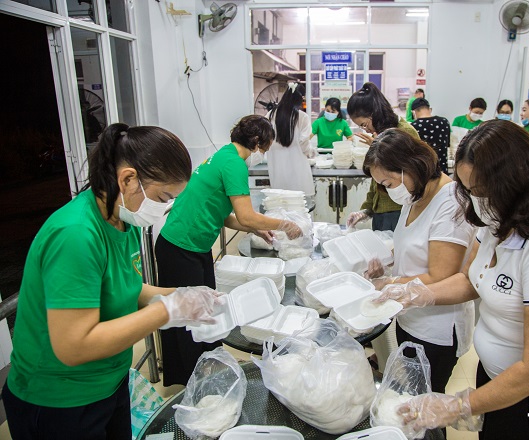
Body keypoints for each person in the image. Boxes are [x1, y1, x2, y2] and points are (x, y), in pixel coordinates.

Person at [2, 123, 227, 439]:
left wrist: (184, 295)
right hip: (60, 399)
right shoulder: (76, 235)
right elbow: (73, 346)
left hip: (110, 381)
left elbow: (129, 288)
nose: (165, 209)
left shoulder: (124, 221)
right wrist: (166, 311)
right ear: (128, 179)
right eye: (163, 197)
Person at [375, 120, 529, 440]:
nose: (475, 201)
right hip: (494, 374)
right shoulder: (498, 222)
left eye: (480, 191)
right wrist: (413, 293)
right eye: (469, 190)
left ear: (515, 181)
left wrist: (459, 405)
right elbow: (470, 279)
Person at [155, 115, 303, 386]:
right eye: (265, 150)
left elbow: (223, 215)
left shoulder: (222, 155)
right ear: (257, 141)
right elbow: (246, 215)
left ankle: (211, 366)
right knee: (189, 318)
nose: (262, 156)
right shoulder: (234, 163)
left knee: (207, 308)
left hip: (193, 244)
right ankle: (192, 382)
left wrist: (256, 229)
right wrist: (283, 224)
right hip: (180, 246)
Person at [362, 129, 476, 407]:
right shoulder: (415, 195)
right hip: (410, 317)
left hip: (437, 328)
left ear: (410, 166)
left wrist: (389, 284)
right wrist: (386, 262)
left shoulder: (450, 204)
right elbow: (413, 243)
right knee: (414, 399)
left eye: (389, 182)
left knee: (427, 407)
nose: (389, 190)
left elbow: (441, 275)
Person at [346, 82, 421, 231]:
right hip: (381, 212)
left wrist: (382, 149)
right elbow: (379, 179)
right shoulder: (380, 134)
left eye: (365, 124)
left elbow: (415, 174)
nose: (366, 130)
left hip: (400, 211)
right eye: (362, 127)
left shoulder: (405, 131)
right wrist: (367, 209)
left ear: (374, 113)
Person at [267, 82, 315, 196]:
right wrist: (311, 152)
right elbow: (304, 142)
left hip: (277, 169)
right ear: (301, 98)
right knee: (301, 206)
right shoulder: (302, 117)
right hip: (298, 170)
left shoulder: (270, 114)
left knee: (280, 206)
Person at [410, 98, 451, 174]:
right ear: (430, 109)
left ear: (414, 112)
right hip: (442, 171)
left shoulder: (413, 126)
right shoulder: (444, 122)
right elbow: (447, 144)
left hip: (424, 172)